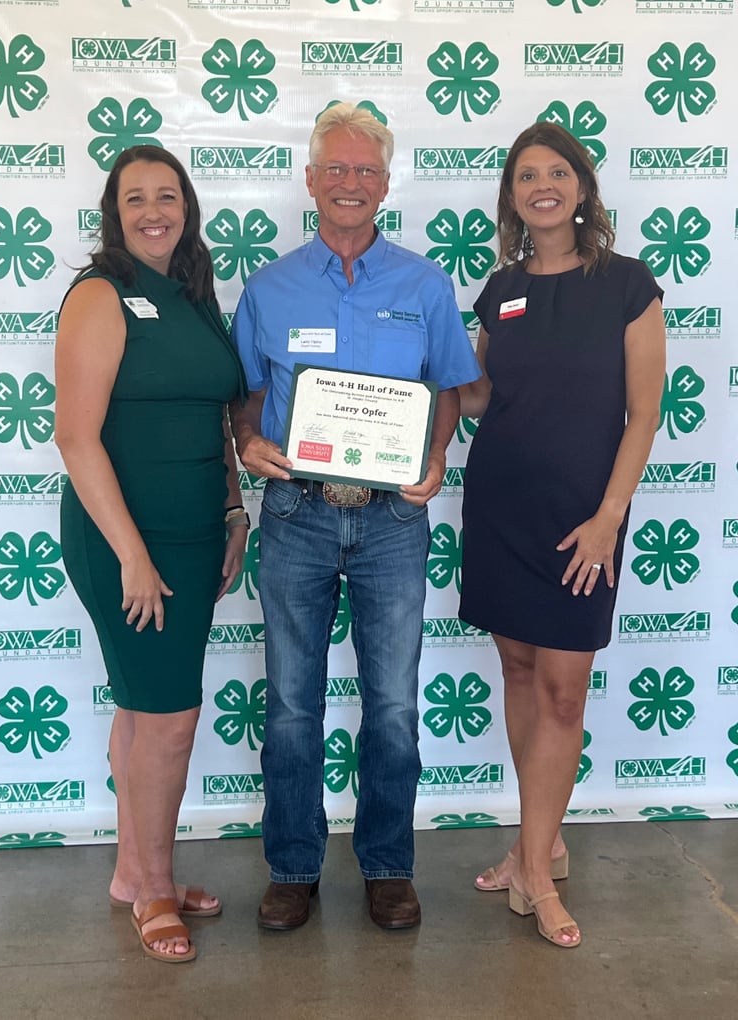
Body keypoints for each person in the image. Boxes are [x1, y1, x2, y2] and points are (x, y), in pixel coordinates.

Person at [229, 103, 482, 931]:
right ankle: (293, 868)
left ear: (385, 184)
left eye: (366, 171)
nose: (350, 183)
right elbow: (247, 394)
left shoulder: (424, 282)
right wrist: (245, 438)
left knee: (395, 704)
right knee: (292, 705)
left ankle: (387, 865)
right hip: (296, 512)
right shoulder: (268, 287)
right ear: (309, 181)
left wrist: (437, 457)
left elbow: (449, 385)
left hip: (392, 523)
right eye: (335, 169)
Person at [458, 122, 666, 947]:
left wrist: (607, 520)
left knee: (563, 690)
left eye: (556, 172)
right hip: (501, 507)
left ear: (581, 187)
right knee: (517, 668)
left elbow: (643, 413)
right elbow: (477, 398)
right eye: (525, 176)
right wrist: (402, 387)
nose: (541, 186)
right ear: (511, 197)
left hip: (585, 517)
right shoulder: (499, 290)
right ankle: (535, 841)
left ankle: (535, 870)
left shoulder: (626, 284)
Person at [55, 145, 248, 963]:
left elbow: (217, 413)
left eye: (167, 196)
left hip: (199, 531)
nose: (153, 211)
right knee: (170, 718)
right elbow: (76, 436)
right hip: (125, 539)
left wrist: (237, 508)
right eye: (135, 199)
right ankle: (156, 889)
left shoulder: (197, 296)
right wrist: (131, 553)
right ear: (114, 212)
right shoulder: (101, 294)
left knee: (143, 709)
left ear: (187, 208)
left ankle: (135, 873)